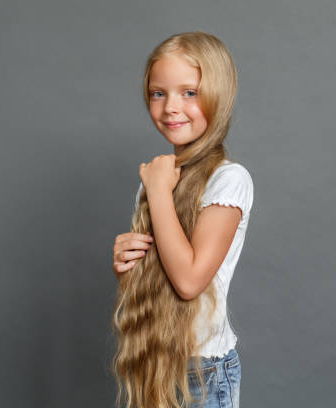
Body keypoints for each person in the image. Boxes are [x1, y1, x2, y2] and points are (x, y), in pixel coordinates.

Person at [111, 30, 253, 408]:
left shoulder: (229, 179)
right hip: (157, 365)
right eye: (159, 93)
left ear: (218, 95)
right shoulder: (158, 179)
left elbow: (189, 281)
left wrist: (158, 193)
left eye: (189, 92)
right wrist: (128, 269)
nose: (171, 107)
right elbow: (159, 289)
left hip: (205, 377)